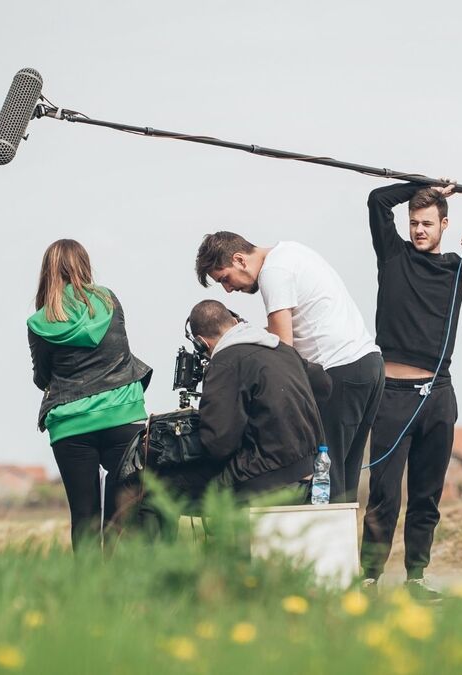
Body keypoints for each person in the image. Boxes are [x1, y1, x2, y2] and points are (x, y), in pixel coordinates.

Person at [360, 180, 462, 600]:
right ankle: (370, 578)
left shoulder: (456, 269)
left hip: (438, 396)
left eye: (426, 223)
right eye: (414, 222)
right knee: (383, 494)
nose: (418, 230)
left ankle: (416, 577)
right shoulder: (392, 256)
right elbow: (378, 200)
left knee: (426, 495)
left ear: (444, 225)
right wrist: (422, 186)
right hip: (393, 396)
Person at [195, 232, 383, 503]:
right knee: (344, 480)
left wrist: (236, 346)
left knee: (325, 478)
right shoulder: (291, 251)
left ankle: (324, 545)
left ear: (239, 260)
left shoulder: (274, 272)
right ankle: (343, 545)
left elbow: (282, 350)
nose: (227, 289)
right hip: (367, 365)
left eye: (224, 278)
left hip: (337, 369)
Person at [135, 300, 329, 536]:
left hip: (263, 478)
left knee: (156, 490)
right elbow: (324, 384)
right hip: (306, 473)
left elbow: (218, 444)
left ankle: (162, 570)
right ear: (235, 321)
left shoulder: (225, 361)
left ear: (200, 342)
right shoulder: (283, 350)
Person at [27, 239, 152, 550]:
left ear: (48, 272)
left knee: (83, 515)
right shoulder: (108, 301)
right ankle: (115, 589)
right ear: (84, 264)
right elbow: (119, 350)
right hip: (122, 415)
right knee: (121, 514)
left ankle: (86, 591)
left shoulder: (40, 321)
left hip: (71, 425)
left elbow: (42, 377)